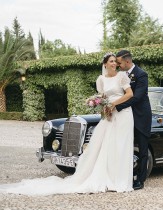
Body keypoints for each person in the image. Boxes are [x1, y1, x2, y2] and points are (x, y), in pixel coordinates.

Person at [0, 52, 134, 195]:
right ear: (105, 64)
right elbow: (102, 96)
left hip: (123, 114)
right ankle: (108, 178)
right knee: (107, 146)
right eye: (111, 61)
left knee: (120, 145)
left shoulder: (121, 76)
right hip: (108, 114)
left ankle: (119, 180)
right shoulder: (101, 79)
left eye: (115, 61)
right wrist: (95, 101)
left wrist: (113, 104)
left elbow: (129, 94)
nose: (114, 64)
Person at [116, 50, 152, 190]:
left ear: (127, 62)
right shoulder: (120, 75)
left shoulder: (141, 74)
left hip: (141, 116)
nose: (118, 65)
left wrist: (116, 106)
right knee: (124, 147)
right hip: (125, 117)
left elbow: (137, 98)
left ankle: (140, 180)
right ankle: (124, 176)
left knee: (142, 149)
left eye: (119, 63)